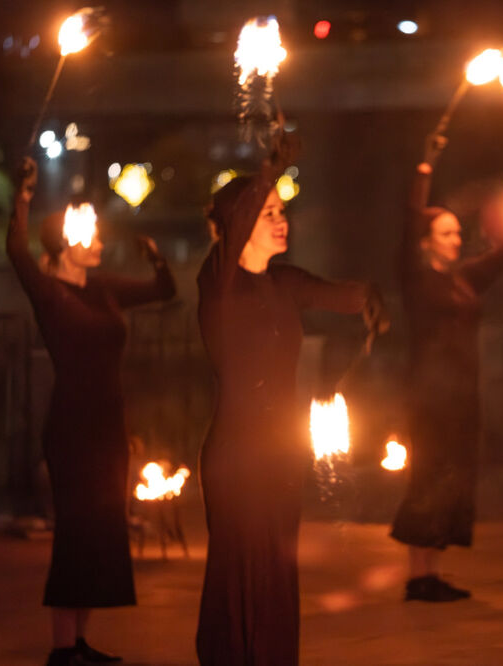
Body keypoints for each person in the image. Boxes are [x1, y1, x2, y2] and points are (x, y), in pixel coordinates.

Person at [194, 165, 388, 666]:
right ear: (239, 221)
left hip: (281, 454)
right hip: (236, 456)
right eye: (269, 212)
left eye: (283, 211)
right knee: (241, 566)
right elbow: (232, 237)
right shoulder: (219, 282)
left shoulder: (284, 282)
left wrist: (369, 299)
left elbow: (337, 293)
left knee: (278, 567)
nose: (283, 221)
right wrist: (270, 168)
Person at [6, 157, 177, 666]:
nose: (98, 240)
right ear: (64, 246)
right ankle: (62, 648)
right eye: (89, 235)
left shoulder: (103, 289)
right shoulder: (49, 291)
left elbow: (164, 291)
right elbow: (15, 249)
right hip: (73, 430)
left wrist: (158, 258)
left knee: (103, 533)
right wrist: (23, 195)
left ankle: (79, 642)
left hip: (109, 426)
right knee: (76, 535)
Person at [390, 134, 503, 602]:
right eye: (447, 233)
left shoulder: (461, 280)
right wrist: (424, 170)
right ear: (427, 242)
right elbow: (410, 222)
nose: (456, 239)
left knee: (452, 478)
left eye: (457, 232)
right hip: (429, 399)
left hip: (460, 396)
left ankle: (431, 572)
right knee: (428, 478)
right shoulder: (418, 281)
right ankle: (417, 575)